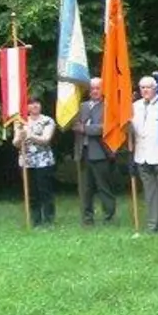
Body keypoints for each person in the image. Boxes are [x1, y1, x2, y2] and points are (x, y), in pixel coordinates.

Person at [129, 75, 158, 234]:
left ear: (155, 88)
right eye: (142, 87)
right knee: (150, 193)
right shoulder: (135, 106)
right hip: (142, 155)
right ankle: (152, 223)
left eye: (148, 87)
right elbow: (132, 130)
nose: (145, 90)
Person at [69, 76, 117, 225]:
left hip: (101, 153)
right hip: (83, 152)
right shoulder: (82, 106)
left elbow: (105, 127)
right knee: (85, 188)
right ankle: (87, 218)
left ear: (103, 89)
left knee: (104, 187)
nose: (94, 91)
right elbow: (74, 124)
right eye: (92, 88)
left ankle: (109, 217)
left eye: (97, 88)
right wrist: (79, 126)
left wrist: (86, 128)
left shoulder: (108, 106)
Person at [13, 96, 57, 227]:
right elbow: (15, 143)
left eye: (37, 103)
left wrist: (29, 135)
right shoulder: (20, 121)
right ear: (27, 107)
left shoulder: (47, 120)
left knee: (45, 191)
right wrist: (19, 138)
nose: (35, 106)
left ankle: (49, 220)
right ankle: (35, 220)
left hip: (43, 161)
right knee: (31, 193)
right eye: (31, 104)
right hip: (26, 162)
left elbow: (46, 139)